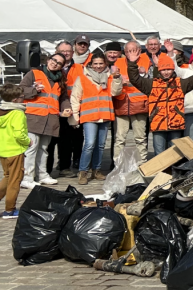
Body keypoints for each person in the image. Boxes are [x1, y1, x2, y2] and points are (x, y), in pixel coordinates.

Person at [126, 42, 193, 155]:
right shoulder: (151, 84)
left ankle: (174, 172)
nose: (166, 72)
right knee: (159, 153)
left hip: (176, 125)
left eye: (169, 69)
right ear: (159, 70)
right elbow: (135, 79)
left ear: (173, 69)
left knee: (175, 154)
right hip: (158, 124)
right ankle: (162, 172)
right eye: (164, 70)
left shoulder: (181, 84)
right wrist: (132, 63)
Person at [18, 52, 71, 189]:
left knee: (44, 149)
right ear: (48, 60)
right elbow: (20, 90)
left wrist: (66, 108)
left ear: (61, 67)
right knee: (31, 148)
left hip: (50, 119)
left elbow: (63, 97)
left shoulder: (60, 80)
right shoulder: (34, 74)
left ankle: (42, 175)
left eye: (59, 63)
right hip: (34, 117)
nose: (55, 63)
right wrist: (34, 90)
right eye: (54, 60)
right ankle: (27, 177)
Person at [69, 53, 123, 184]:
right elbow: (75, 97)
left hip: (104, 115)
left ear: (105, 64)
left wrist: (117, 79)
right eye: (96, 64)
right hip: (89, 116)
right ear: (91, 64)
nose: (98, 66)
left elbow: (116, 92)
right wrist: (75, 116)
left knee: (100, 145)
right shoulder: (82, 77)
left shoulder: (110, 77)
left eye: (101, 63)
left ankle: (96, 170)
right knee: (89, 144)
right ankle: (83, 172)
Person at [0, 84, 30, 219]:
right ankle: (10, 210)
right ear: (15, 100)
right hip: (15, 151)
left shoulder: (1, 111)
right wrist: (28, 141)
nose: (24, 99)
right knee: (15, 181)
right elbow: (19, 134)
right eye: (22, 97)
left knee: (8, 177)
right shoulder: (17, 113)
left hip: (3, 151)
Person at [113, 39, 152, 163]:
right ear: (124, 52)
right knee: (120, 138)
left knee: (140, 138)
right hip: (122, 104)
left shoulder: (147, 62)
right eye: (128, 51)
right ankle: (117, 164)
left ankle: (142, 163)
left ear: (140, 51)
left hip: (140, 104)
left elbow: (150, 81)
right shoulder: (117, 62)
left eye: (134, 50)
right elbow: (112, 81)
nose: (131, 53)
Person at [49, 40, 81, 178]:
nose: (66, 53)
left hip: (71, 109)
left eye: (68, 51)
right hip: (52, 109)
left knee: (68, 140)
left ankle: (65, 166)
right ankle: (46, 169)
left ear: (73, 52)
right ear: (56, 52)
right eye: (62, 51)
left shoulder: (80, 68)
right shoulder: (50, 68)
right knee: (50, 141)